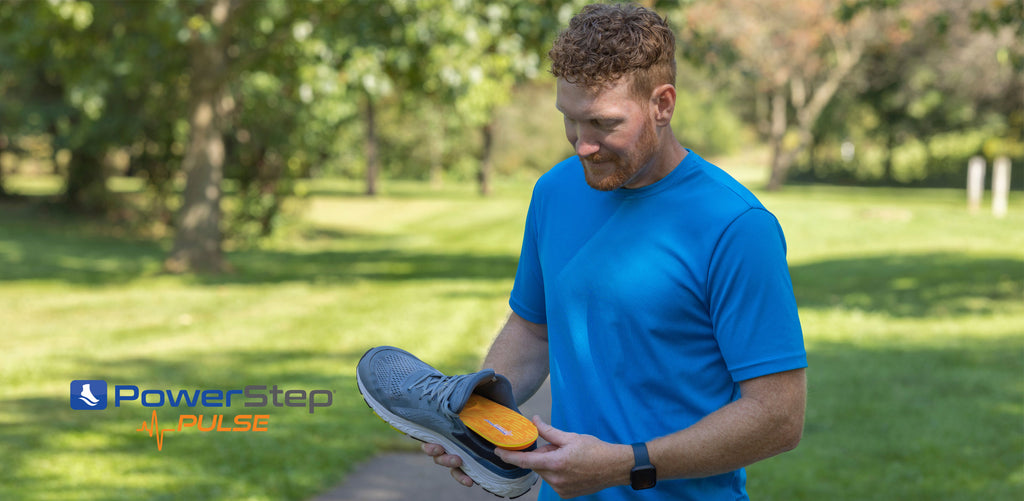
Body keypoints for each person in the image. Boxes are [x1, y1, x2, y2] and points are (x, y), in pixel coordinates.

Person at [423, 3, 807, 499]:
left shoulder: (735, 226)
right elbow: (533, 330)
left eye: (603, 123)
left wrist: (627, 465)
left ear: (662, 104)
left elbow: (778, 417)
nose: (582, 145)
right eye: (570, 120)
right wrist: (479, 421)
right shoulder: (554, 192)